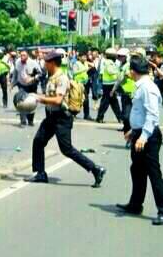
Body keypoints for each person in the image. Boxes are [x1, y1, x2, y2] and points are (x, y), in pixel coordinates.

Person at [25, 50, 106, 187]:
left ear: (52, 63)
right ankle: (40, 173)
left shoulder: (62, 78)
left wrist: (39, 98)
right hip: (51, 116)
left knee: (66, 149)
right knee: (38, 141)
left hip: (62, 118)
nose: (44, 64)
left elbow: (57, 100)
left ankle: (95, 169)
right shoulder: (51, 76)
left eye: (46, 62)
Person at [117, 56, 163, 226]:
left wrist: (143, 136)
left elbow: (153, 115)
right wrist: (134, 131)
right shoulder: (141, 86)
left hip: (148, 137)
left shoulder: (148, 88)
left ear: (133, 72)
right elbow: (141, 113)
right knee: (137, 170)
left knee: (153, 173)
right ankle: (135, 204)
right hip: (140, 133)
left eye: (129, 70)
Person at [11, 50, 42, 126]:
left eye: (24, 55)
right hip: (22, 85)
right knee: (21, 101)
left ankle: (30, 120)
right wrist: (12, 84)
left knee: (31, 102)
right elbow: (15, 73)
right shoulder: (18, 62)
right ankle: (23, 120)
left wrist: (32, 78)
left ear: (27, 55)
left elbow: (40, 73)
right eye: (21, 55)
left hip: (32, 85)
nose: (22, 57)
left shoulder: (33, 63)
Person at [112, 48, 135, 138]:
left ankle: (133, 134)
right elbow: (119, 79)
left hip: (133, 94)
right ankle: (127, 134)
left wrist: (128, 74)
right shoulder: (121, 65)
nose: (120, 58)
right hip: (125, 94)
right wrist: (113, 89)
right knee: (126, 116)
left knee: (132, 116)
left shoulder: (130, 65)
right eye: (119, 56)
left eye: (122, 56)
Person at [96, 48, 123, 124]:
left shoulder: (110, 62)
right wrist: (119, 72)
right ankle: (100, 117)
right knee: (106, 102)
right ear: (112, 56)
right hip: (108, 85)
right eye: (115, 55)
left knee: (113, 102)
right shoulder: (109, 63)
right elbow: (110, 71)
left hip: (111, 84)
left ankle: (119, 118)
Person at [72, 53, 93, 120]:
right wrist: (84, 69)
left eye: (85, 57)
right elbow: (74, 72)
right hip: (78, 83)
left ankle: (86, 115)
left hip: (85, 83)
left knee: (85, 100)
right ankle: (73, 113)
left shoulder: (85, 63)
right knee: (78, 99)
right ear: (79, 57)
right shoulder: (76, 63)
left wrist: (88, 66)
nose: (85, 58)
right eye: (83, 57)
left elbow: (92, 65)